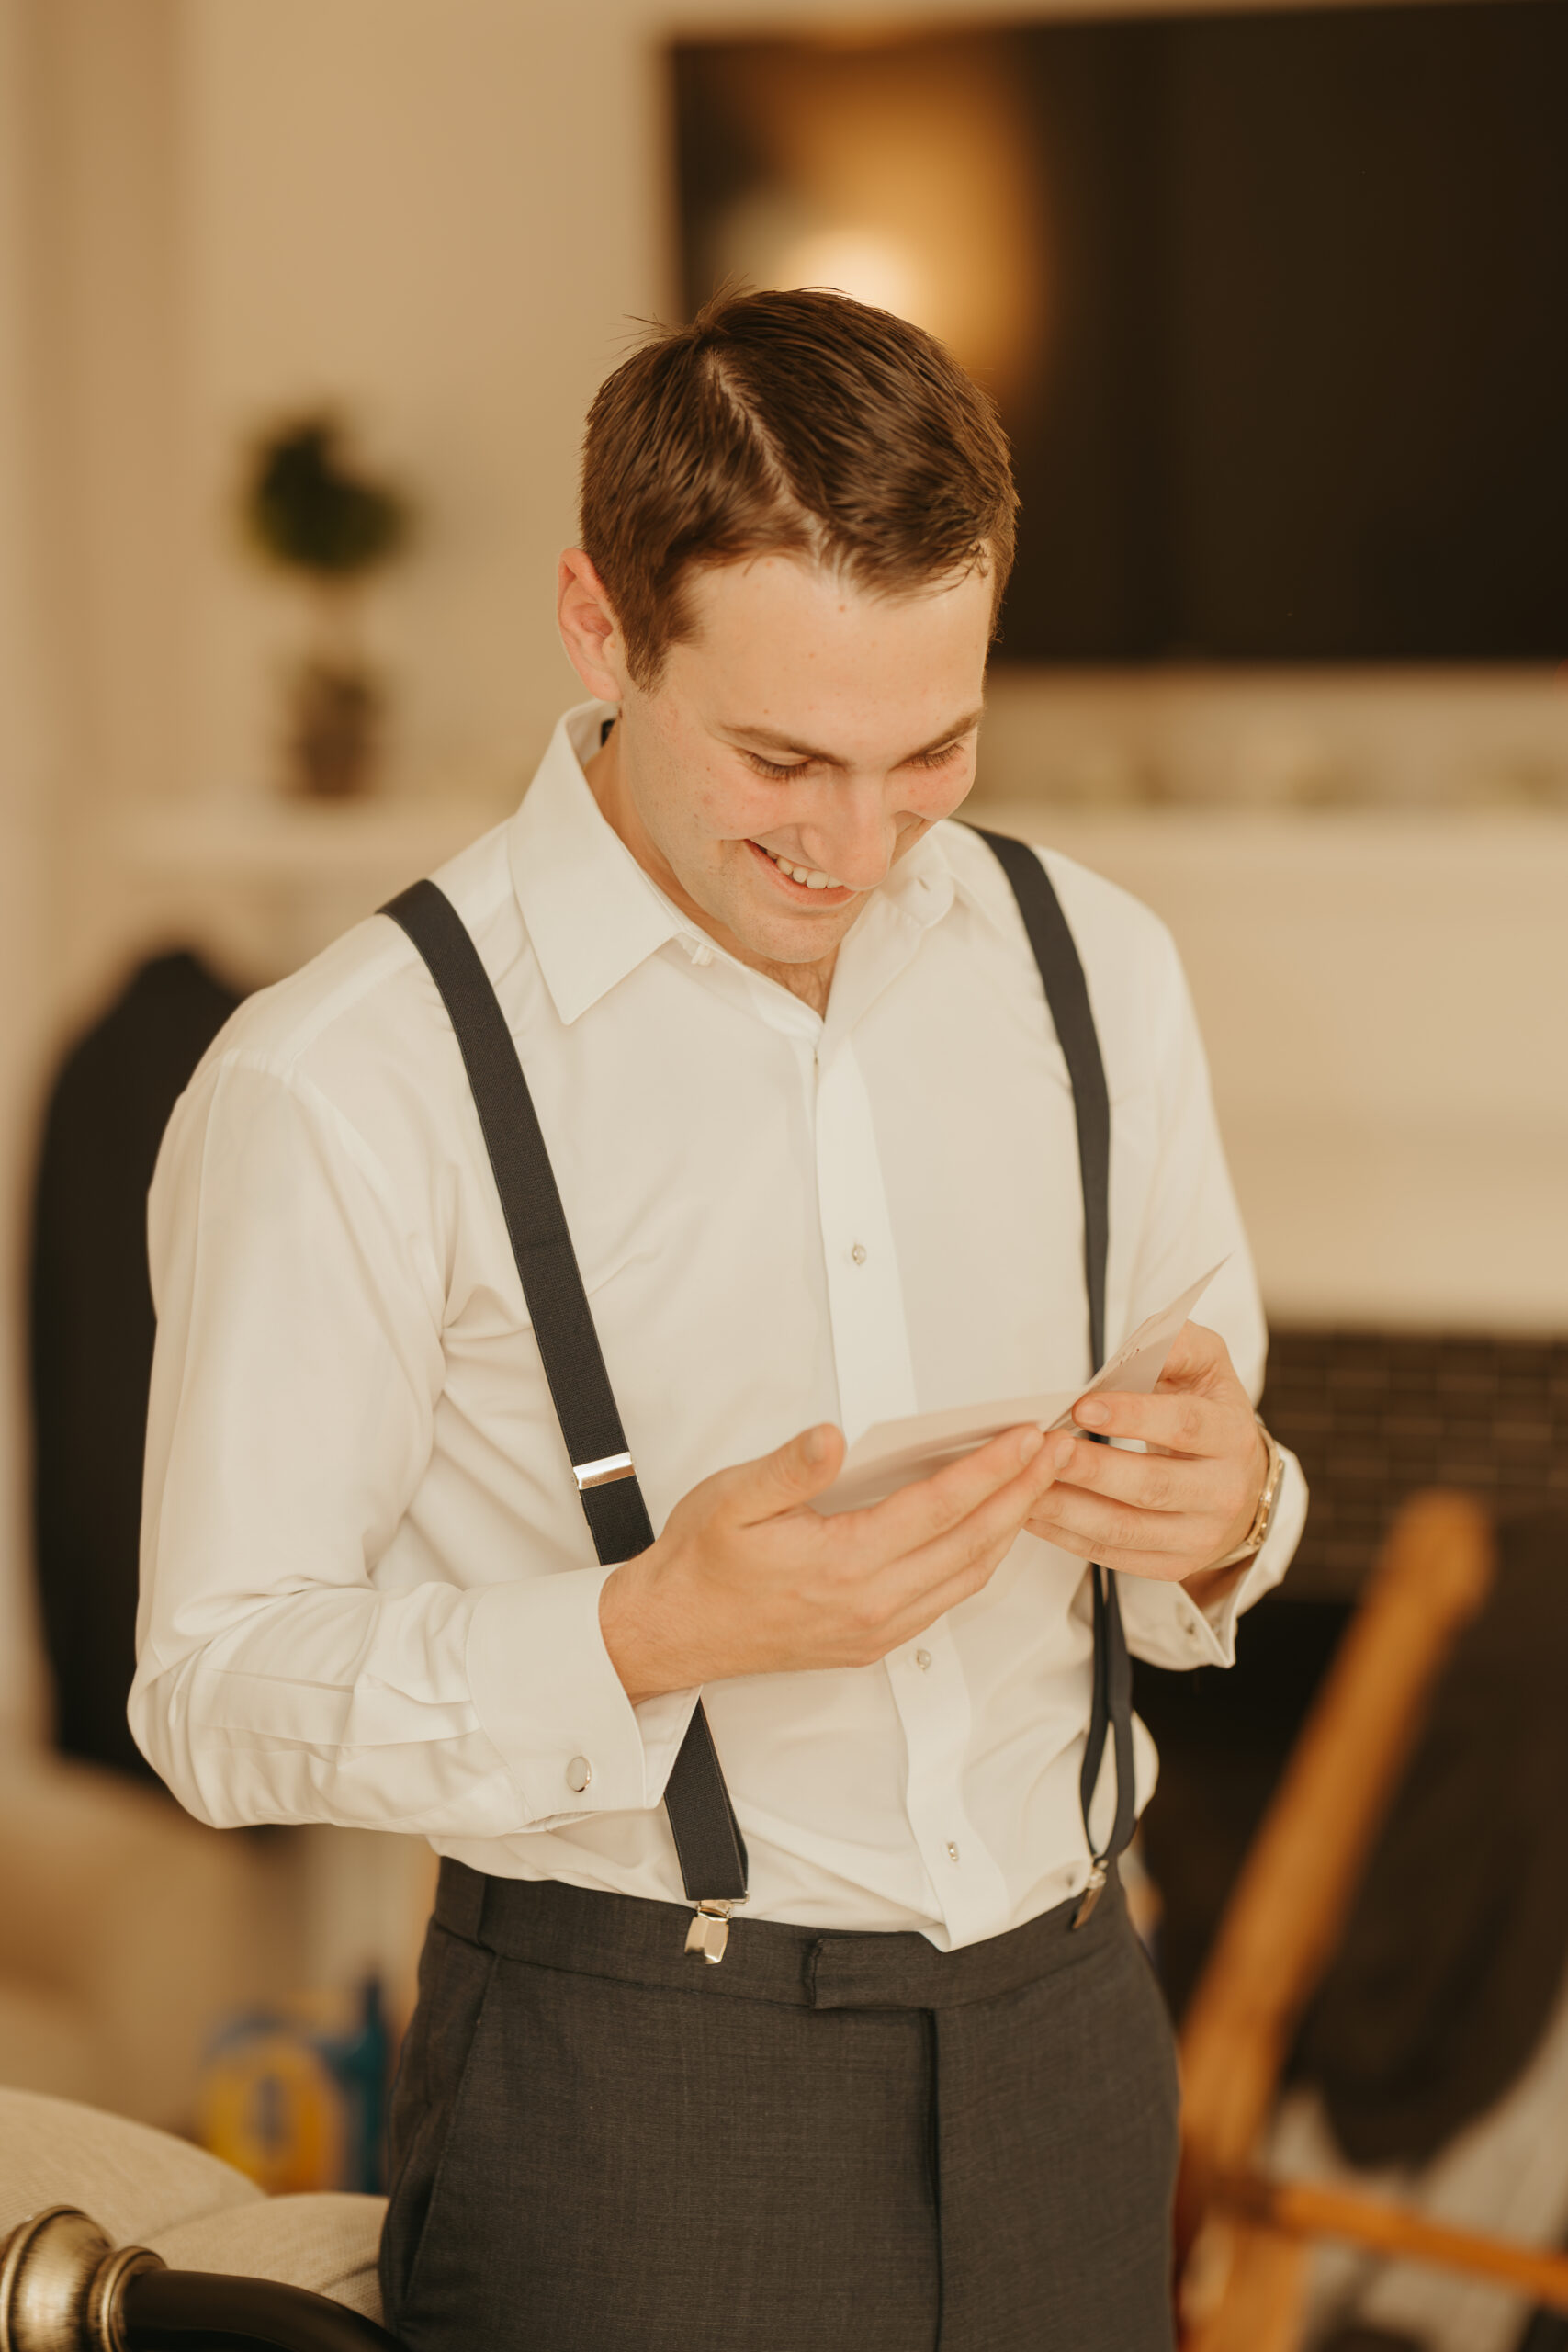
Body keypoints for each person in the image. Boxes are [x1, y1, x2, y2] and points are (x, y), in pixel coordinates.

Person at [132, 288, 1304, 2352]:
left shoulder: (1093, 965)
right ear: (599, 628)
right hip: (631, 2106)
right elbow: (211, 1689)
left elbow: (1223, 1487)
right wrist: (646, 1630)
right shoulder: (349, 1076)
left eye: (930, 751)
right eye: (779, 757)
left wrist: (1231, 1510)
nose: (856, 844)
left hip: (1075, 2048)